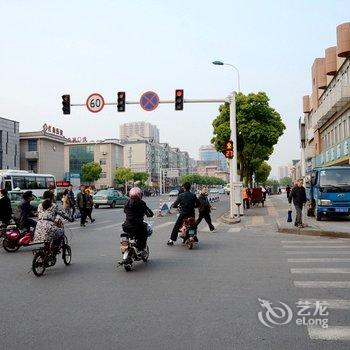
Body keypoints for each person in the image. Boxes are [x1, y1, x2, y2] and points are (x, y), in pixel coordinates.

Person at [121, 187, 153, 255]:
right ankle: (140, 247)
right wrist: (150, 214)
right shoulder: (141, 203)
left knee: (130, 232)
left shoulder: (128, 203)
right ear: (139, 195)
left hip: (126, 226)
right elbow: (149, 213)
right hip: (138, 226)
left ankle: (129, 246)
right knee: (144, 233)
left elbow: (124, 211)